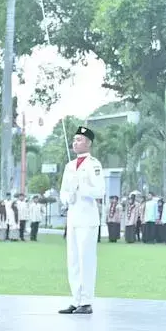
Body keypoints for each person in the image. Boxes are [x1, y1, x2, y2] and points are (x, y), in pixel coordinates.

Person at [58, 126, 103, 315]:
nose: (75, 143)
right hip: (73, 218)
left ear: (88, 143)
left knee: (86, 261)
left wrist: (82, 188)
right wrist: (67, 197)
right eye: (74, 140)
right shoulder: (69, 166)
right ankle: (76, 299)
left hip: (87, 219)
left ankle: (86, 301)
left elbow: (99, 191)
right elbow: (63, 191)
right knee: (73, 260)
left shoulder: (94, 165)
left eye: (79, 140)